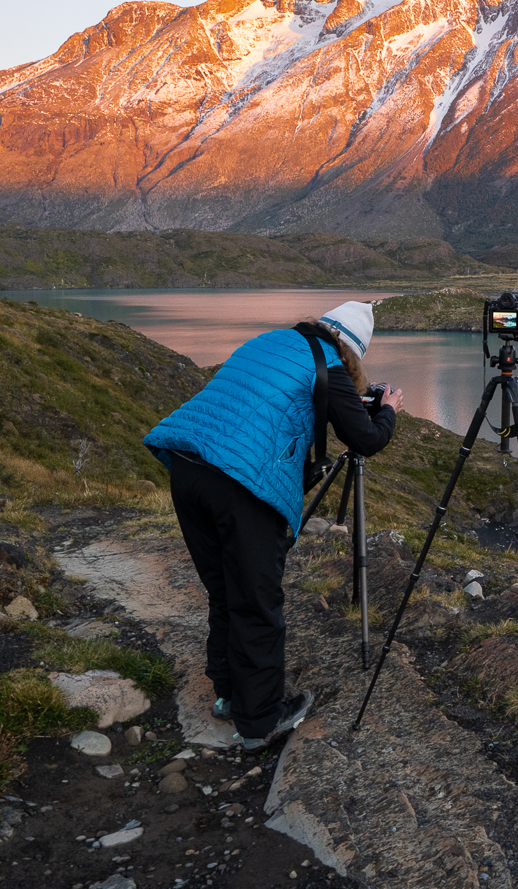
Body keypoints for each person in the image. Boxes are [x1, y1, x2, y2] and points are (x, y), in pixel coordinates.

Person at [143, 301, 404, 750]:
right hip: (238, 483)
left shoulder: (270, 341)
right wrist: (389, 410)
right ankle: (261, 720)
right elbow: (366, 439)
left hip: (188, 468)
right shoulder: (331, 365)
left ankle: (229, 694)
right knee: (258, 599)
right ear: (352, 350)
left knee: (227, 589)